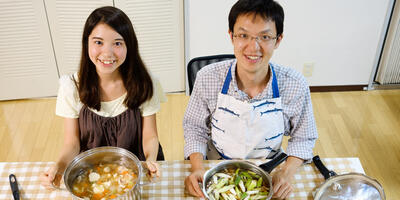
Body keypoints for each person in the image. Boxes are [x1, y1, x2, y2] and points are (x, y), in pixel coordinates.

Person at [183, 0, 318, 199]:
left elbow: (304, 137)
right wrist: (197, 168)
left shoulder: (294, 84)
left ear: (278, 40)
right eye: (243, 35)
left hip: (269, 170)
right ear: (231, 36)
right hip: (216, 167)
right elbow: (194, 128)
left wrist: (286, 172)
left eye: (264, 37)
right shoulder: (208, 77)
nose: (253, 47)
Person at [40, 6, 166, 188]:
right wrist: (59, 166)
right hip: (92, 172)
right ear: (86, 44)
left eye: (117, 43)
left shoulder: (145, 82)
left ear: (129, 46)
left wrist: (151, 159)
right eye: (98, 42)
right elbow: (72, 142)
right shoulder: (71, 87)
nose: (107, 53)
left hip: (136, 169)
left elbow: (150, 136)